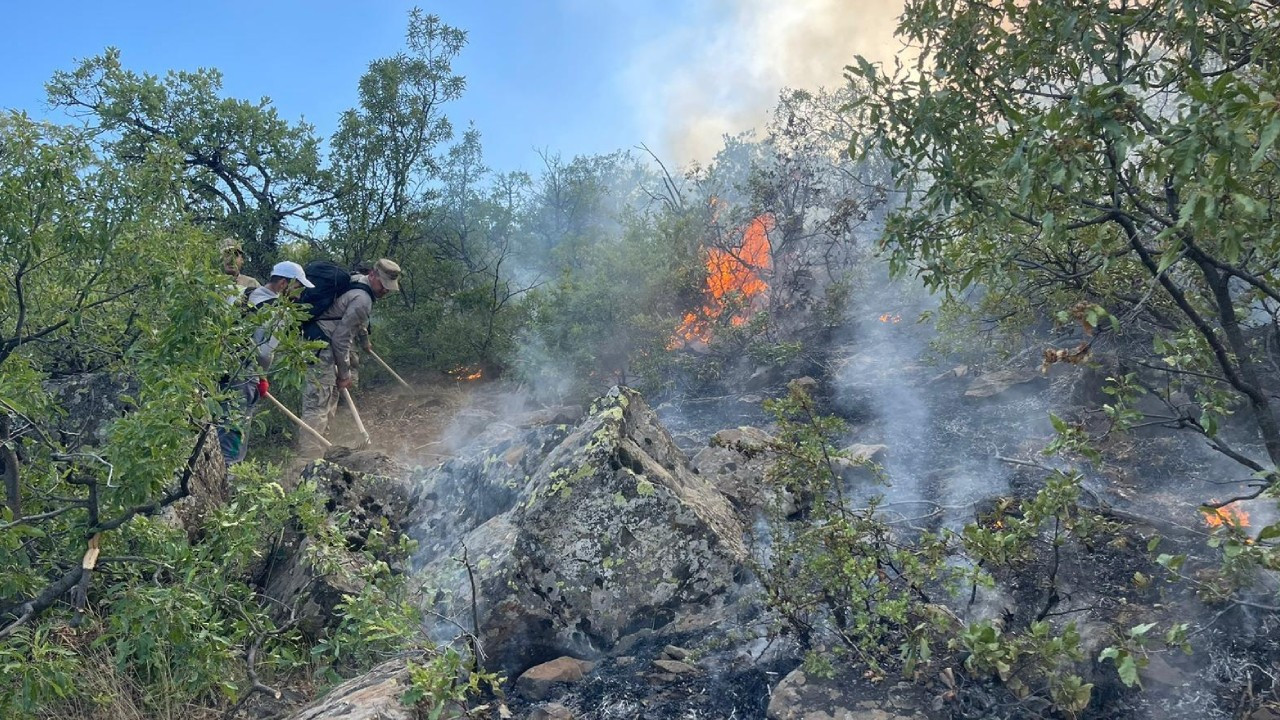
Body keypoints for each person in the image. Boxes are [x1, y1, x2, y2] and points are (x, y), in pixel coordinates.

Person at [216, 261, 313, 467]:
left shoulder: (244, 292)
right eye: (298, 287)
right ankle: (229, 477)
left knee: (215, 423)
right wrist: (262, 376)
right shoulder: (279, 312)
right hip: (244, 374)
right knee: (235, 426)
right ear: (283, 284)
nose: (301, 293)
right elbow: (264, 352)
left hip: (220, 367)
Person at [298, 258, 400, 456]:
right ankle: (309, 456)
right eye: (383, 284)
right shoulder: (363, 300)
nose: (385, 290)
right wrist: (345, 374)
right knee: (318, 402)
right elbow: (341, 339)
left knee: (329, 399)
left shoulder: (355, 280)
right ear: (372, 275)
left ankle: (324, 446)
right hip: (322, 347)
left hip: (321, 343)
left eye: (389, 286)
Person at [220, 237, 260, 302]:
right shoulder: (210, 283)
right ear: (220, 259)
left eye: (235, 255)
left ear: (242, 260)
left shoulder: (252, 284)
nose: (231, 259)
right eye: (227, 254)